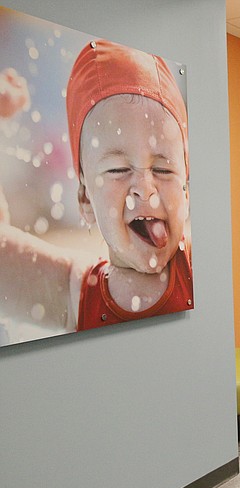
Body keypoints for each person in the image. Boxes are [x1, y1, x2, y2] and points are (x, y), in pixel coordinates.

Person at [0, 39, 192, 336]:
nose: (145, 187)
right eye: (118, 169)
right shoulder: (74, 291)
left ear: (186, 192)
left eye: (163, 169)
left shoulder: (199, 266)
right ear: (85, 199)